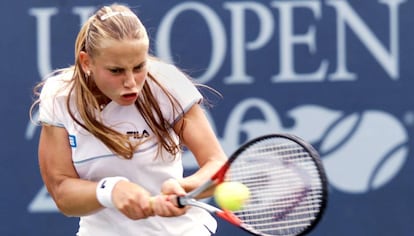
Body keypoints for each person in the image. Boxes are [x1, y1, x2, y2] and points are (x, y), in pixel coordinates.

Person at [30, 3, 227, 236]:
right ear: (86, 62)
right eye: (116, 71)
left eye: (139, 67)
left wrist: (183, 188)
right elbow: (62, 193)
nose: (131, 82)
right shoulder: (60, 96)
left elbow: (219, 165)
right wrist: (111, 190)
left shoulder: (167, 85)